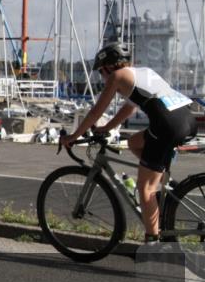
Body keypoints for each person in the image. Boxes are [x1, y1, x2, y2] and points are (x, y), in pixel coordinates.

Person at [62, 43, 197, 243]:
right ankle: (166, 185)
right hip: (187, 120)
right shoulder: (142, 72)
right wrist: (106, 128)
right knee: (134, 142)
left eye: (101, 72)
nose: (102, 77)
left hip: (167, 127)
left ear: (108, 66)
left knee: (145, 188)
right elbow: (129, 108)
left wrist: (73, 137)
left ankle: (153, 245)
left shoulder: (117, 76)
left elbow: (96, 111)